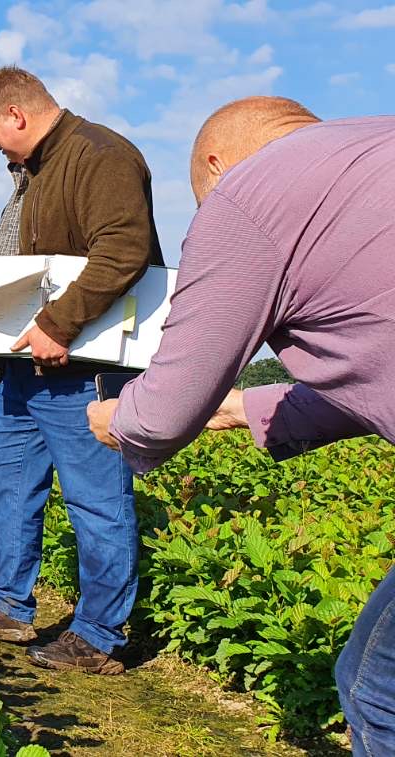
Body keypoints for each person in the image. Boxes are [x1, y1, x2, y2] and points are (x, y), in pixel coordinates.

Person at [89, 97, 394, 755]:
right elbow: (375, 373)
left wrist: (123, 419)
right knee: (370, 676)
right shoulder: (374, 149)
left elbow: (165, 408)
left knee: (380, 693)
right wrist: (240, 408)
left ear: (215, 165)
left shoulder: (245, 194)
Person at [0, 66, 163, 674]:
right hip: (25, 371)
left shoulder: (99, 155)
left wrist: (59, 323)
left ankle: (99, 637)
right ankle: (9, 607)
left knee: (96, 501)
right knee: (10, 484)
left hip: (82, 369)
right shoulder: (36, 170)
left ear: (16, 115)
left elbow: (124, 248)